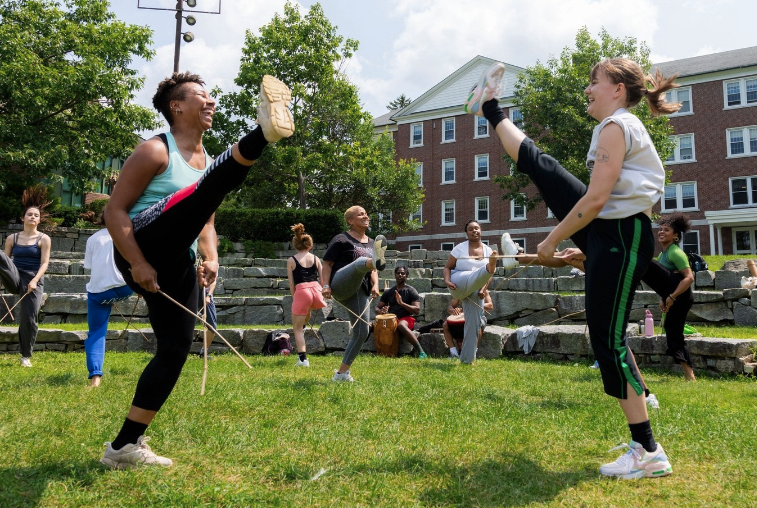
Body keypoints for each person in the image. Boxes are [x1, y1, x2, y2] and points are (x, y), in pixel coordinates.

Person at [467, 58, 680, 478]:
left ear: (617, 88)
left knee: (607, 340)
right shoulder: (614, 127)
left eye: (593, 82)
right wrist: (584, 250)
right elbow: (604, 201)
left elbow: (597, 198)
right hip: (609, 233)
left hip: (618, 234)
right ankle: (490, 106)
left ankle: (648, 450)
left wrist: (551, 240)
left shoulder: (618, 126)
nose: (587, 89)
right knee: (542, 167)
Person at [100, 71, 294, 469]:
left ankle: (124, 446)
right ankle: (263, 132)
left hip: (176, 257)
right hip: (142, 242)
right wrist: (137, 262)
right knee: (207, 187)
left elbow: (205, 218)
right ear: (177, 106)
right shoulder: (155, 151)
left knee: (174, 351)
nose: (211, 103)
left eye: (211, 98)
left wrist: (210, 258)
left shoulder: (206, 161)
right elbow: (113, 211)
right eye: (201, 97)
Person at [322, 206, 387, 382]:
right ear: (350, 220)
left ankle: (341, 373)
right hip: (341, 284)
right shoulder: (341, 239)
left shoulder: (373, 242)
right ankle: (370, 260)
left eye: (366, 213)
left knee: (362, 332)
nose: (365, 216)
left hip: (360, 290)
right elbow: (327, 264)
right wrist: (325, 285)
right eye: (360, 214)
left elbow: (374, 269)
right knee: (360, 263)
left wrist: (375, 284)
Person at [443, 220, 518, 364]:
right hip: (458, 283)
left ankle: (467, 360)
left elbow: (487, 279)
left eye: (477, 228)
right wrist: (447, 281)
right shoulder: (459, 248)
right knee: (481, 272)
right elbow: (447, 268)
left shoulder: (488, 250)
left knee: (473, 326)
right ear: (467, 233)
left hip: (476, 289)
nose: (474, 231)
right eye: (470, 229)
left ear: (481, 230)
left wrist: (483, 289)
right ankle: (492, 265)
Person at [0, 186, 52, 368]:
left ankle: (25, 356)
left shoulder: (44, 239)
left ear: (39, 220)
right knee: (0, 255)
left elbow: (44, 263)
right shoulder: (12, 238)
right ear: (23, 218)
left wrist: (35, 280)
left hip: (33, 279)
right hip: (14, 276)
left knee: (29, 318)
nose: (32, 217)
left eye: (36, 215)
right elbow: (5, 263)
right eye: (29, 214)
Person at [83, 219, 134, 387]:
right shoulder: (129, 232)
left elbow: (90, 267)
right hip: (126, 288)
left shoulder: (93, 238)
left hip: (99, 293)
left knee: (96, 332)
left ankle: (95, 378)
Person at [646, 214, 696, 381]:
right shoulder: (662, 254)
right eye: (660, 229)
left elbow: (689, 278)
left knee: (646, 262)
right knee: (673, 334)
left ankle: (690, 375)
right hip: (673, 294)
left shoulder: (675, 252)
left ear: (675, 236)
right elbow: (664, 281)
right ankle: (690, 376)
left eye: (666, 230)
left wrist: (672, 297)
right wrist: (664, 297)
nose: (661, 232)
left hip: (681, 296)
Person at [286, 223, 326, 367]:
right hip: (316, 291)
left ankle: (303, 360)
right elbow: (322, 280)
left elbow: (292, 284)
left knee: (296, 328)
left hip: (302, 291)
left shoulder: (291, 260)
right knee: (305, 314)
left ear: (296, 245)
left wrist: (294, 297)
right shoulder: (316, 259)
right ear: (310, 245)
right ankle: (303, 325)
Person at [375, 266, 426, 359]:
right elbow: (377, 308)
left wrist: (402, 303)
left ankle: (420, 351)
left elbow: (417, 310)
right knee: (371, 325)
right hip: (392, 319)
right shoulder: (389, 292)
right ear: (395, 275)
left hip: (407, 319)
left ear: (406, 276)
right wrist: (380, 311)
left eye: (403, 273)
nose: (400, 275)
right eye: (398, 273)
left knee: (401, 325)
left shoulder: (411, 291)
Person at [443, 290, 493, 359]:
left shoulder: (482, 290)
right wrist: (453, 310)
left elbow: (490, 306)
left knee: (476, 323)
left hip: (479, 316)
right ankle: (454, 353)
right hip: (462, 318)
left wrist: (474, 305)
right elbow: (450, 307)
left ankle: (473, 353)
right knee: (445, 325)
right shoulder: (461, 290)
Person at [198, 278, 217, 358]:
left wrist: (209, 295)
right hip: (191, 292)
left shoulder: (212, 265)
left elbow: (213, 280)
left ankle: (203, 352)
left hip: (205, 294)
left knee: (211, 326)